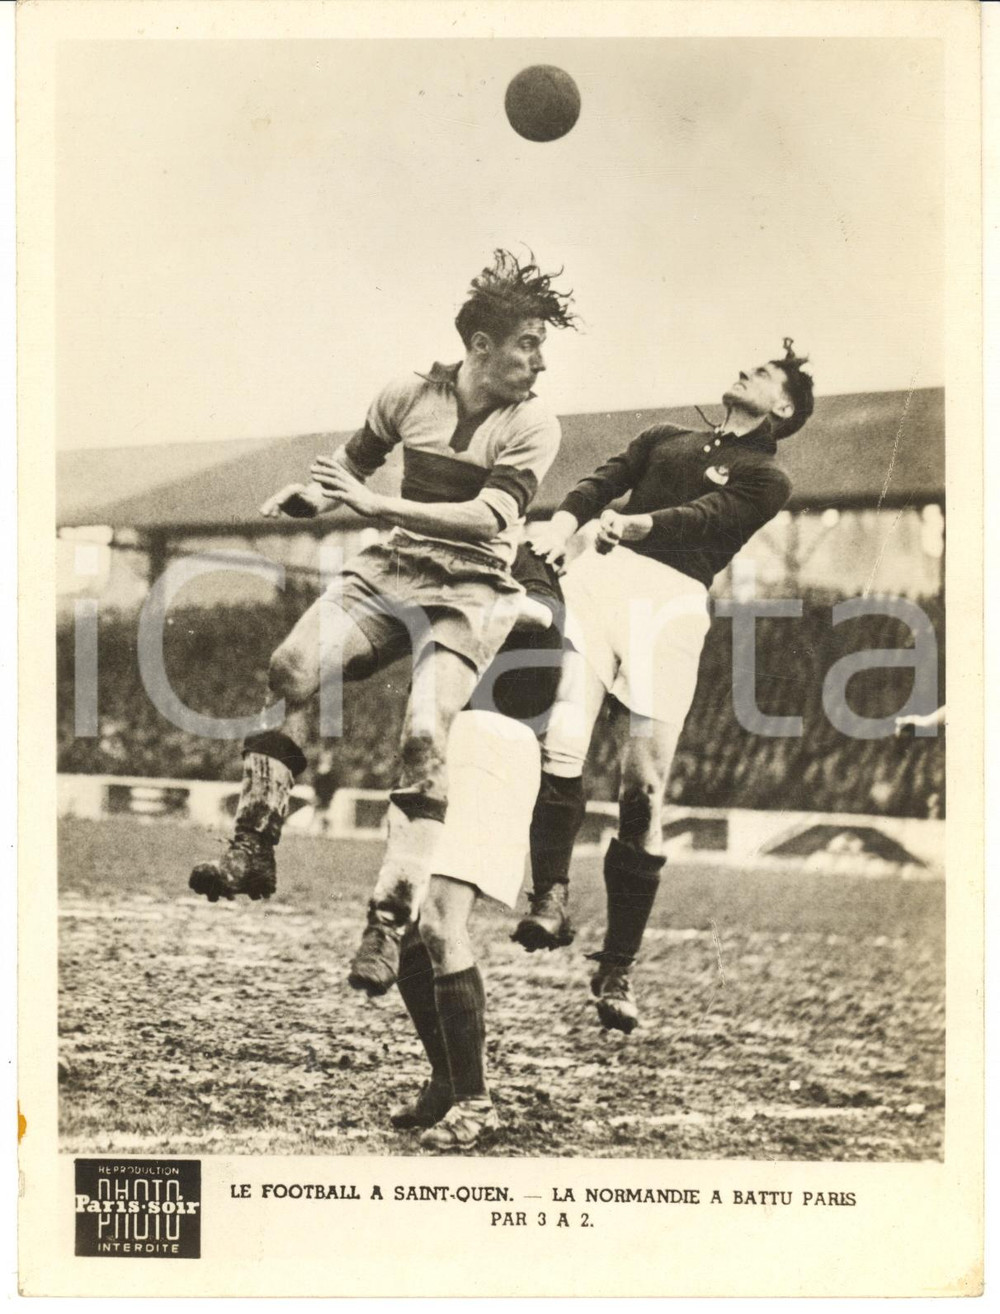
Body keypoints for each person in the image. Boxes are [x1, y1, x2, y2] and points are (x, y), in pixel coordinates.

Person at [189, 250, 577, 1003]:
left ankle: (387, 920)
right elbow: (352, 464)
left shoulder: (534, 423)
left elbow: (487, 517)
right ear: (481, 346)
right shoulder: (407, 394)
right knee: (289, 667)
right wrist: (312, 495)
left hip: (472, 584)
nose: (540, 362)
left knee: (425, 736)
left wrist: (375, 507)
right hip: (394, 566)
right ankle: (254, 842)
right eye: (528, 344)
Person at [515, 342, 815, 1033]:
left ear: (782, 405)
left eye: (765, 373)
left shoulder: (768, 477)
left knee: (643, 790)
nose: (747, 368)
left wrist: (637, 524)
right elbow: (600, 481)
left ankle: (616, 967)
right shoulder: (663, 437)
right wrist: (564, 525)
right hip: (599, 588)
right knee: (562, 743)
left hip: (671, 606)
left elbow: (707, 517)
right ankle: (549, 898)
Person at [391, 544, 566, 1151]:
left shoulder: (517, 552)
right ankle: (448, 1081)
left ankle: (475, 1103)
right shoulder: (438, 557)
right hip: (442, 744)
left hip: (493, 738)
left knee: (440, 922)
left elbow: (541, 615)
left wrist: (448, 594)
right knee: (412, 930)